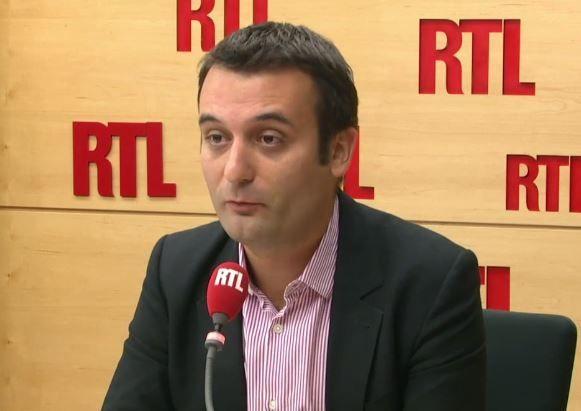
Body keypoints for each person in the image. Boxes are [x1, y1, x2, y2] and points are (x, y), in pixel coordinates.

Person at [102, 22, 486, 411]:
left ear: (338, 151)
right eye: (217, 137)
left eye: (268, 139)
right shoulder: (176, 270)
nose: (235, 171)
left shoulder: (430, 282)